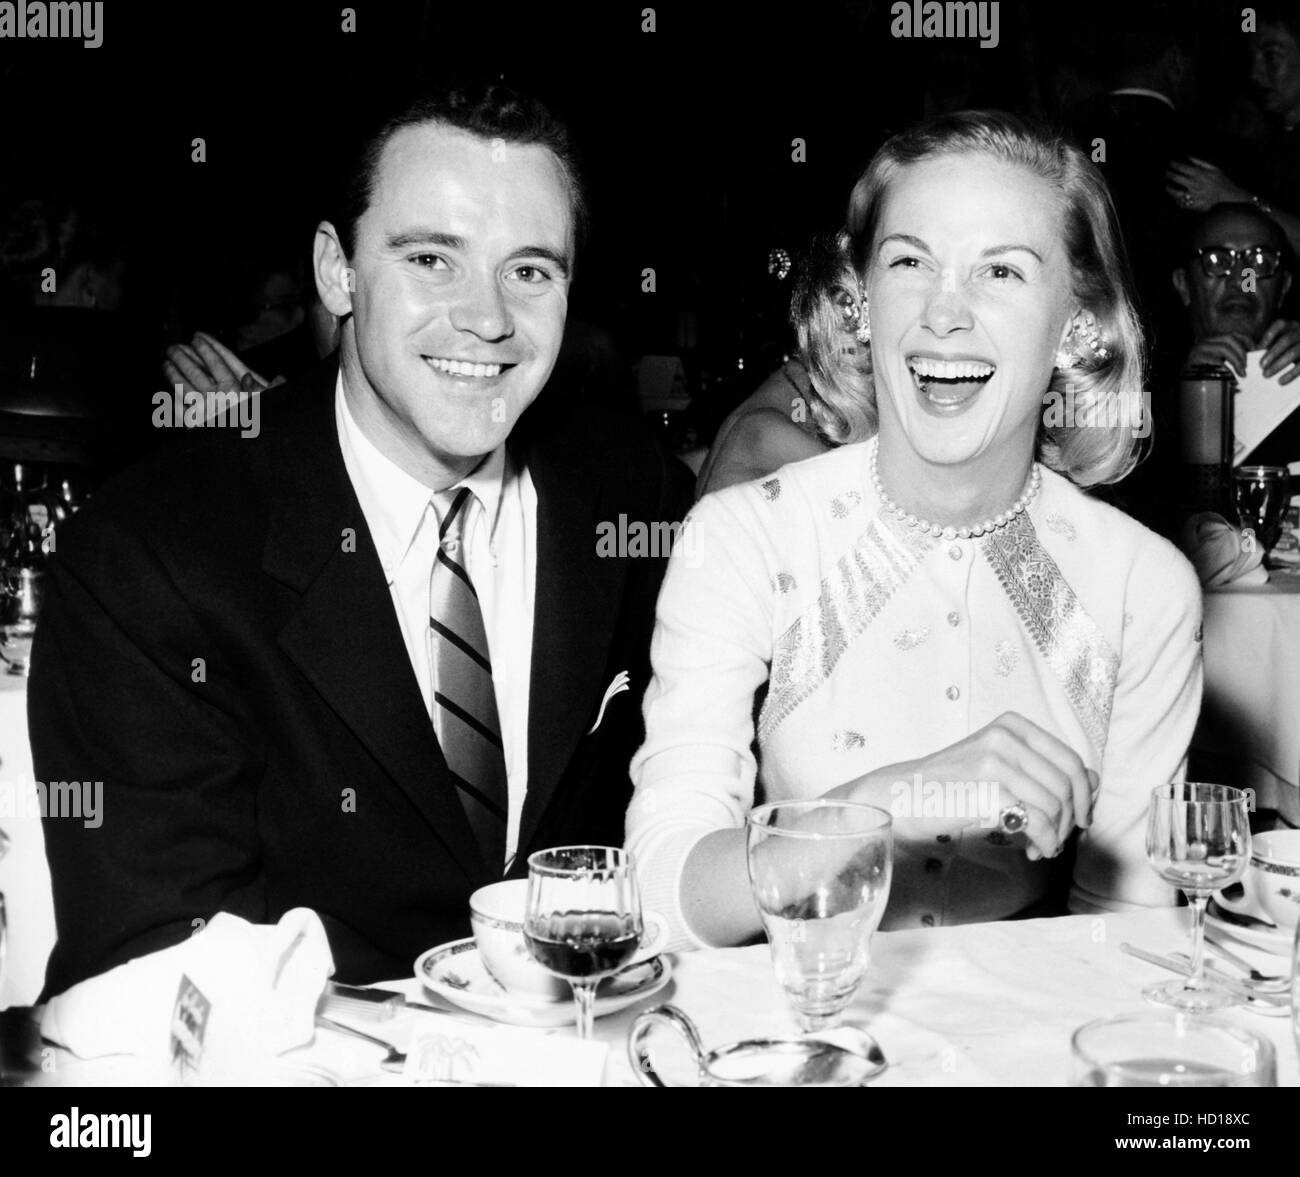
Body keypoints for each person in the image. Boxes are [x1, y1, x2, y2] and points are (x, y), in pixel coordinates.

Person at [31, 84, 693, 995]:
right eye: (432, 258)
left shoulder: (631, 495)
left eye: (530, 271)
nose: (488, 318)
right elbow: (155, 973)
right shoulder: (153, 554)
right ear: (337, 271)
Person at [627, 110, 1203, 949]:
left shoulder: (1140, 585)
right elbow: (661, 900)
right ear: (860, 301)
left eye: (1000, 272)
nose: (945, 312)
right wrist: (892, 802)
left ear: (1077, 321)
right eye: (909, 262)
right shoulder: (746, 537)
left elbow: (1129, 935)